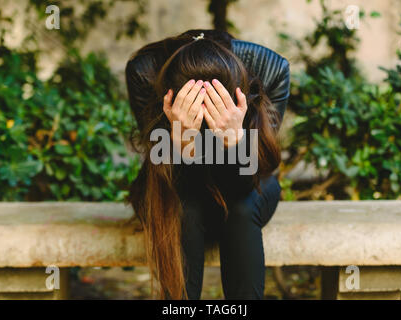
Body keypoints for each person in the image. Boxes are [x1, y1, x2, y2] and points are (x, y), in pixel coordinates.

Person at [124, 29, 290, 300]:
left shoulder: (270, 69)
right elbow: (169, 182)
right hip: (172, 185)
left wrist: (236, 143)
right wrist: (181, 143)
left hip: (250, 182)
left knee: (242, 208)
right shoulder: (145, 71)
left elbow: (251, 180)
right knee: (183, 209)